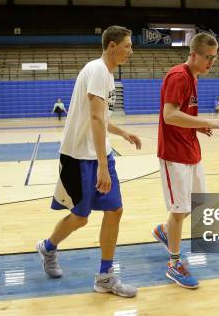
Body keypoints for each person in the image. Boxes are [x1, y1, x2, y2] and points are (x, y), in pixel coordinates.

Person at [37, 26, 142, 298]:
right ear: (111, 46)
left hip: (98, 153)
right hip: (78, 157)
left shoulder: (105, 73)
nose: (131, 51)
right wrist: (103, 167)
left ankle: (105, 276)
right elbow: (94, 119)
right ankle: (48, 247)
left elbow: (101, 119)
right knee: (81, 218)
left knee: (115, 210)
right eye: (127, 46)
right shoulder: (97, 70)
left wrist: (122, 132)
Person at [152, 33, 219, 289]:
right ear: (194, 54)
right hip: (174, 154)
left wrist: (197, 128)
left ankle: (165, 232)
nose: (211, 62)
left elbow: (184, 116)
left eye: (214, 58)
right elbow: (170, 115)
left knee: (193, 205)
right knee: (179, 210)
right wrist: (207, 122)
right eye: (208, 58)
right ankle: (174, 264)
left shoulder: (194, 77)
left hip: (191, 150)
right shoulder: (179, 76)